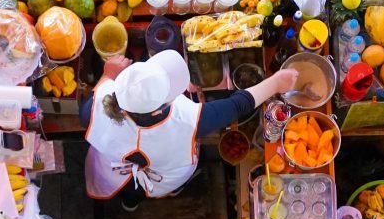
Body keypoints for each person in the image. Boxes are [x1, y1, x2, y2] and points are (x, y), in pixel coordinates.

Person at [80, 49, 299, 210]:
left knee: (130, 194)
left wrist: (107, 74)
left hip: (112, 164)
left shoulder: (97, 105)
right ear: (158, 110)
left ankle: (130, 205)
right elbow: (237, 105)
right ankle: (152, 196)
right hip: (162, 171)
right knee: (144, 187)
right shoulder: (187, 123)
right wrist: (276, 83)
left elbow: (96, 98)